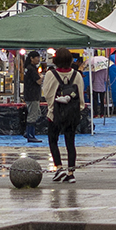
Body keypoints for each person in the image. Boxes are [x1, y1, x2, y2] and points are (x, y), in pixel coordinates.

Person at [44, 51, 86, 182]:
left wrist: (53, 107)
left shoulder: (51, 74)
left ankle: (59, 167)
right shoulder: (77, 75)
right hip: (72, 114)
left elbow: (47, 93)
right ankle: (71, 172)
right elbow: (80, 95)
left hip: (55, 113)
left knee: (53, 140)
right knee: (70, 142)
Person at [22, 54, 44, 143]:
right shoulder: (31, 69)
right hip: (32, 96)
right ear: (31, 58)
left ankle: (27, 132)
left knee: (37, 113)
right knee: (33, 115)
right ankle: (30, 135)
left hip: (30, 95)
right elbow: (38, 81)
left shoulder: (28, 68)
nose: (38, 59)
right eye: (37, 57)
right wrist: (42, 77)